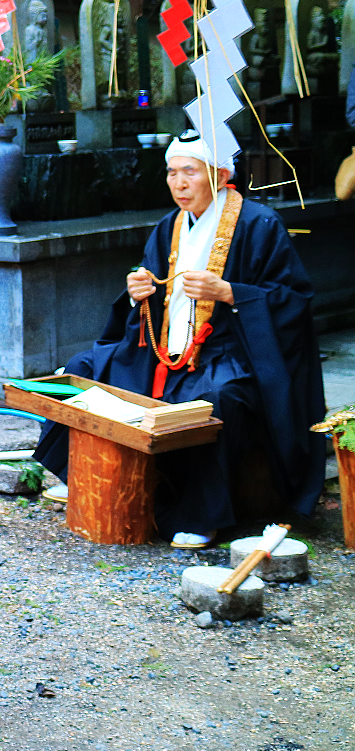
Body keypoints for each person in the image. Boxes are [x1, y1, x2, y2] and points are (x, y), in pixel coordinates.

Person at [32, 131, 324, 548]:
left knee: (217, 399)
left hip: (229, 352)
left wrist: (231, 293)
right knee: (83, 368)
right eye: (171, 172)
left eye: (190, 171)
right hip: (163, 349)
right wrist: (137, 294)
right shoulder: (168, 227)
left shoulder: (259, 224)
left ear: (220, 176)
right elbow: (150, 294)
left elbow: (294, 300)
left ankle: (200, 514)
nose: (179, 183)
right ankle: (81, 471)